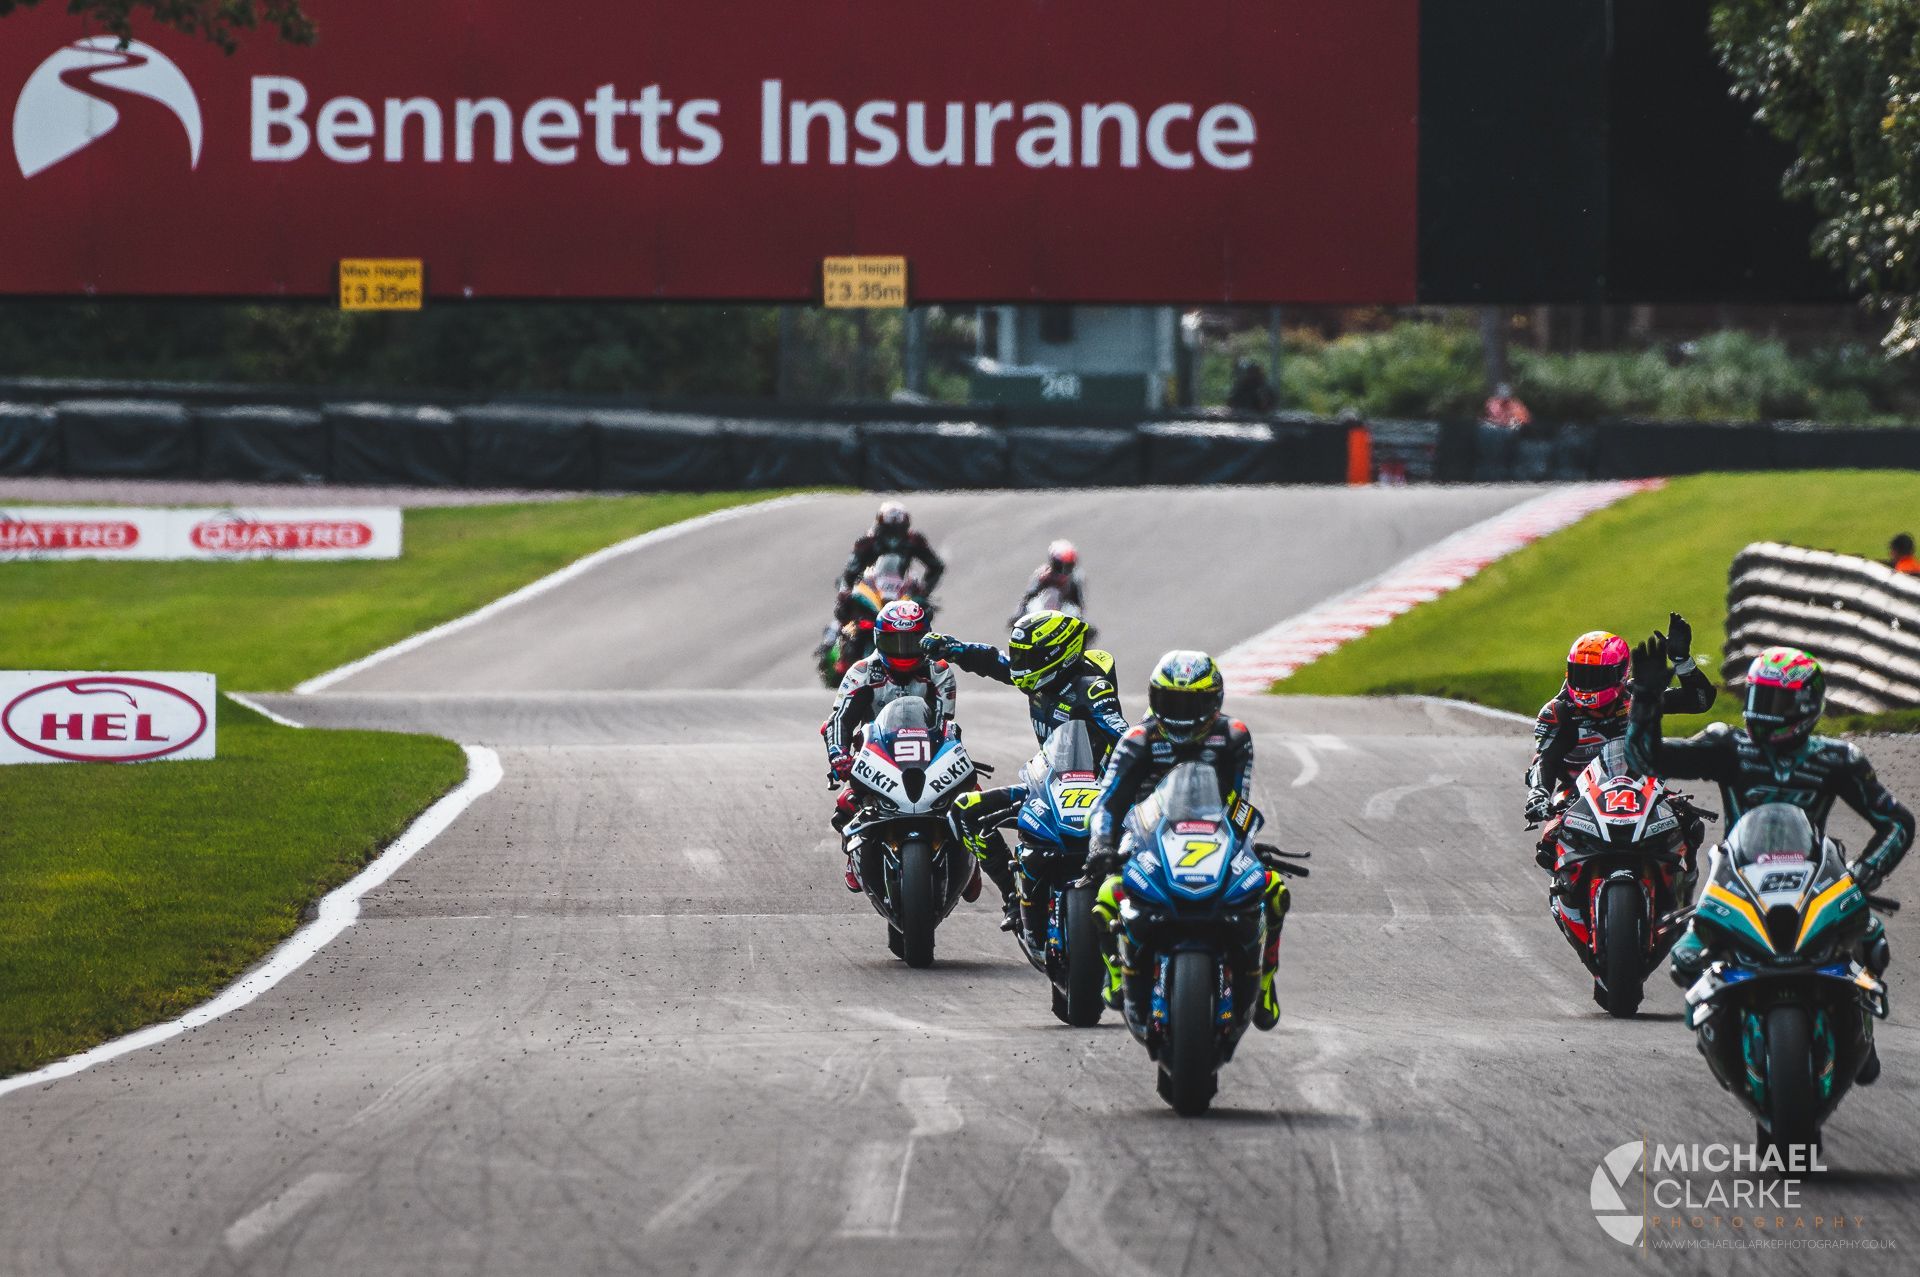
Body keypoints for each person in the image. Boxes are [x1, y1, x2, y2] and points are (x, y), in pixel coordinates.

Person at [1629, 640, 1913, 1083]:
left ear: (1806, 707)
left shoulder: (1837, 759)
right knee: (1685, 957)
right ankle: (1719, 1024)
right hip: (1738, 877)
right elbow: (1647, 759)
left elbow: (1897, 822)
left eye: (1775, 702)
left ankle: (1861, 1027)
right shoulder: (1727, 746)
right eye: (1758, 697)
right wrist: (1645, 700)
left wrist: (1862, 876)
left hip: (1816, 878)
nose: (1762, 712)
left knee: (1872, 939)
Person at [1082, 651, 1291, 1032]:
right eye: (1170, 701)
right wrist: (1102, 845)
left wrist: (1244, 846)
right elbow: (1108, 802)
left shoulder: (1234, 736)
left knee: (1272, 889)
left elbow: (1239, 801)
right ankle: (1116, 970)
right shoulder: (1137, 740)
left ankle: (1263, 981)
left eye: (1191, 703)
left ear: (1214, 700)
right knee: (1108, 892)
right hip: (1146, 834)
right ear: (1153, 698)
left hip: (1215, 834)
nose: (1181, 713)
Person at [921, 610, 1128, 929]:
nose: (1019, 664)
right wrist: (954, 649)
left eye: (1026, 656)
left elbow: (1125, 736)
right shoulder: (1039, 676)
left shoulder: (1092, 689)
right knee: (966, 811)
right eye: (1019, 655)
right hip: (1048, 786)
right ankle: (1013, 897)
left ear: (1057, 655)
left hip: (1100, 790)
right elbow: (994, 662)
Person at [823, 598, 966, 895]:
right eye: (894, 642)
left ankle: (970, 860)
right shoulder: (861, 671)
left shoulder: (939, 671)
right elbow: (838, 720)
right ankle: (855, 853)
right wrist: (838, 755)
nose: (903, 651)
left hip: (928, 752)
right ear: (879, 640)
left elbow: (945, 725)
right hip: (875, 755)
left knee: (970, 797)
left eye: (912, 642)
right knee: (846, 804)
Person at [1525, 616, 1717, 827]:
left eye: (1596, 676)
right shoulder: (1557, 712)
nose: (1587, 685)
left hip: (1642, 790)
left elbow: (1699, 701)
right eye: (1580, 674)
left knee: (1689, 825)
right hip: (1578, 796)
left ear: (1621, 673)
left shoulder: (1638, 697)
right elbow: (1546, 760)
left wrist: (1682, 661)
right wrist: (1538, 793)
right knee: (1551, 835)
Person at [838, 501, 944, 594]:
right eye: (888, 530)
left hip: (904, 588)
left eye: (898, 531)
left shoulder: (914, 540)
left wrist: (925, 589)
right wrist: (848, 589)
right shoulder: (866, 541)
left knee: (926, 608)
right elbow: (851, 568)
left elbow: (936, 565)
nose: (893, 538)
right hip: (870, 587)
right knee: (844, 605)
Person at [1013, 540, 1087, 621]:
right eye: (1060, 566)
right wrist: (1019, 614)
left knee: (1074, 612)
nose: (1064, 570)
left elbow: (1078, 604)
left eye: (1068, 566)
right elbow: (1029, 595)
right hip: (1042, 610)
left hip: (1064, 611)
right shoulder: (1043, 574)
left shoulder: (1075, 579)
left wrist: (1079, 618)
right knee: (1031, 606)